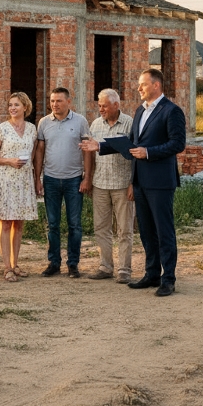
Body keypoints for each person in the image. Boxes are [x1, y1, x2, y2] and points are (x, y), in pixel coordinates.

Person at [81, 69, 185, 296]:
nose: (139, 89)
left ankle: (168, 279)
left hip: (160, 181)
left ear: (156, 85)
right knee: (147, 232)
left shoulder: (172, 111)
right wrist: (99, 146)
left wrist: (148, 152)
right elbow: (130, 144)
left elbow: (178, 144)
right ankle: (151, 274)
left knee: (163, 231)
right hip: (140, 181)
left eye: (143, 84)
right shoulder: (140, 111)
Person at [33, 88, 92, 278]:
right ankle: (54, 263)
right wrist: (38, 178)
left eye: (59, 101)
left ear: (68, 101)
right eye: (52, 101)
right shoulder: (44, 123)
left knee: (74, 224)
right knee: (53, 224)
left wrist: (87, 177)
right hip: (50, 179)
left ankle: (73, 264)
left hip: (74, 179)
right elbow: (40, 151)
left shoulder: (80, 121)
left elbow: (87, 150)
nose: (54, 104)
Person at [84, 89, 135, 284]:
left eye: (104, 105)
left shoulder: (130, 123)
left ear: (116, 105)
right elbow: (89, 153)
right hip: (100, 184)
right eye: (99, 105)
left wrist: (133, 184)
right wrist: (87, 178)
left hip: (122, 185)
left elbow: (134, 157)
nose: (101, 109)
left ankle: (124, 269)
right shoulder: (96, 124)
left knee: (125, 229)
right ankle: (105, 266)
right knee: (101, 227)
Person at [0, 92, 38, 283]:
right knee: (6, 222)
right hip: (7, 178)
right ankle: (7, 267)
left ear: (25, 107)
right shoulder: (1, 129)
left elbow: (33, 155)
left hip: (24, 179)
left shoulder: (32, 129)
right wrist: (9, 161)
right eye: (10, 105)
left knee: (19, 223)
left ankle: (15, 264)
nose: (12, 108)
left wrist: (35, 177)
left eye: (16, 105)